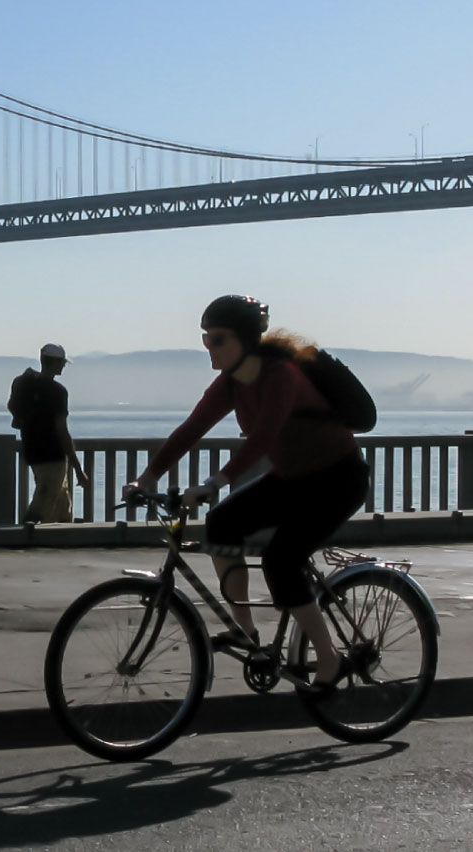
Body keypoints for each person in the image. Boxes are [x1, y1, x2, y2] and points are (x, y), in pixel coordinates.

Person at [123, 295, 368, 695]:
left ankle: (329, 659)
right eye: (205, 340)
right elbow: (191, 429)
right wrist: (146, 478)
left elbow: (263, 437)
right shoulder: (230, 384)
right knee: (221, 525)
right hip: (293, 478)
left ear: (245, 340)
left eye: (217, 340)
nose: (209, 349)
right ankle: (244, 631)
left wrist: (214, 483)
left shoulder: (280, 375)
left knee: (282, 558)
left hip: (338, 479)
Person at [10, 343, 88, 523]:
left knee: (60, 498)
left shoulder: (24, 384)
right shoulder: (58, 392)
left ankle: (63, 532)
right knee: (44, 499)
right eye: (62, 363)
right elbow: (62, 430)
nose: (63, 367)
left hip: (32, 450)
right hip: (53, 454)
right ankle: (25, 535)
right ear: (55, 362)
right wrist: (78, 468)